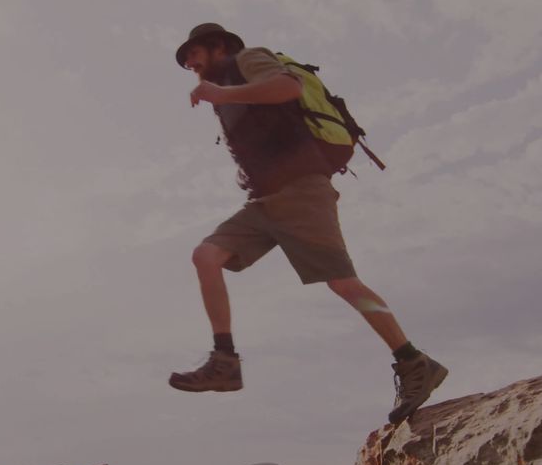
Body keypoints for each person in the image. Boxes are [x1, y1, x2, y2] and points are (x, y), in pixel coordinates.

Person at [168, 23, 448, 425]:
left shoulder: (247, 59)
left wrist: (224, 93)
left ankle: (414, 362)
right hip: (265, 200)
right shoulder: (224, 86)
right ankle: (225, 361)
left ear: (217, 46)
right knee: (206, 256)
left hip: (302, 191)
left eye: (193, 54)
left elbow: (289, 88)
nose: (190, 64)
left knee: (343, 282)